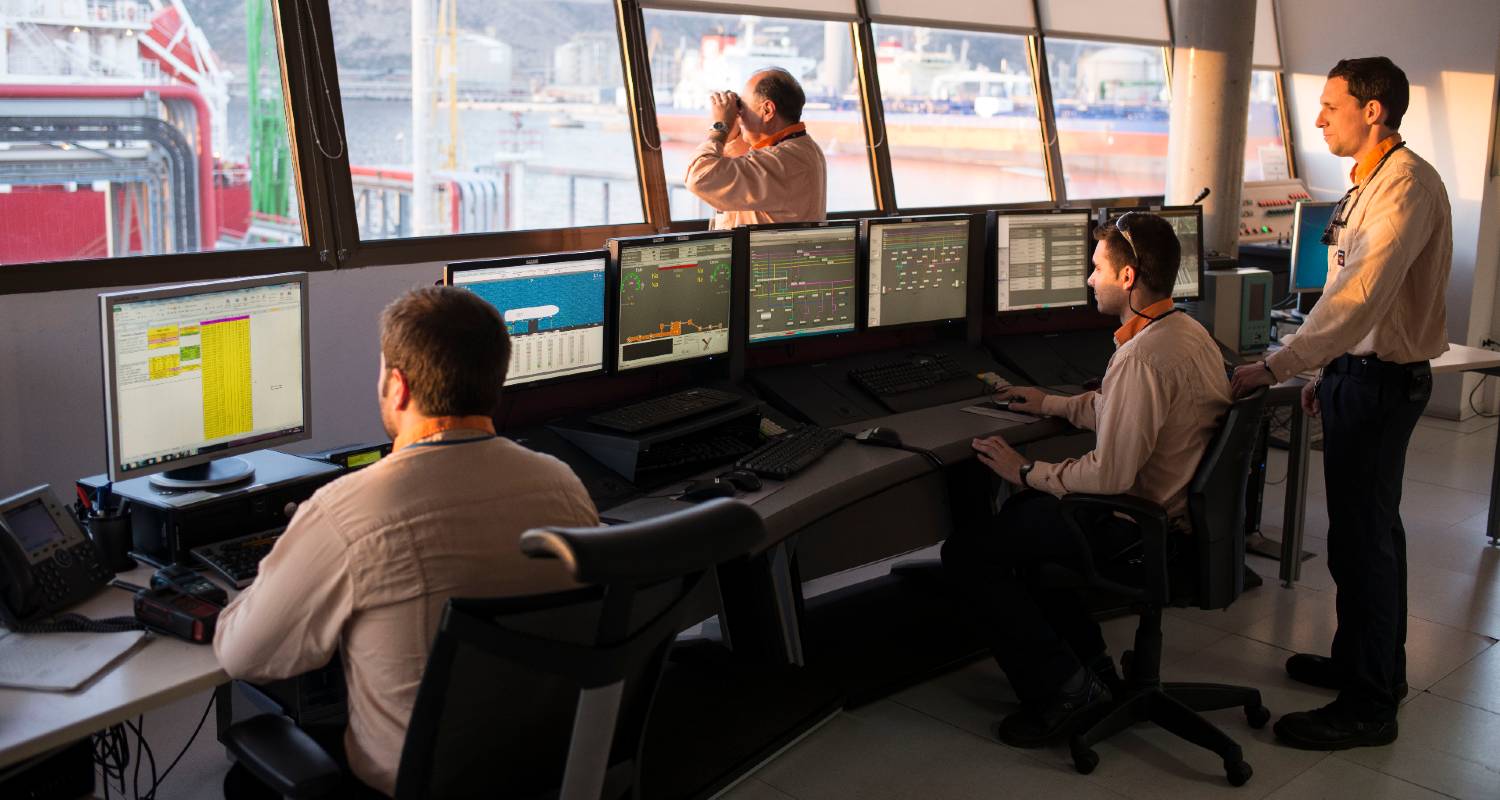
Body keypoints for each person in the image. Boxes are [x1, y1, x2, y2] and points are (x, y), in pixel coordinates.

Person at [214, 286, 600, 796]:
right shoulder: (563, 484)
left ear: (398, 386)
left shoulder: (348, 510)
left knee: (248, 780)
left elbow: (244, 655)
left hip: (415, 785)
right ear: (496, 380)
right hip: (545, 773)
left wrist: (283, 562)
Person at [943, 212, 1231, 747]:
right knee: (1021, 525)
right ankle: (1088, 667)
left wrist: (1027, 471)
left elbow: (1110, 472)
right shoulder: (1186, 333)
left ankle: (1064, 691)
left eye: (1097, 268)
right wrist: (1051, 403)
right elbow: (1127, 413)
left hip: (1138, 525)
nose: (1089, 279)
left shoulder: (1141, 357)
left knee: (970, 552)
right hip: (1175, 520)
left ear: (1128, 279)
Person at [1231, 57, 1451, 750]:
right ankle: (1369, 666)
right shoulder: (1367, 184)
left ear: (1374, 109)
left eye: (1331, 105)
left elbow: (1360, 298)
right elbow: (1343, 295)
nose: (1320, 118)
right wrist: (1323, 373)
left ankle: (1369, 706)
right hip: (1359, 378)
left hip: (1383, 385)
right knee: (1369, 538)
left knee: (1364, 545)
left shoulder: (1405, 188)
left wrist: (1276, 367)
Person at [684, 67, 827, 230]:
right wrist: (731, 135)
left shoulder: (782, 161)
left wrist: (720, 126)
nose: (739, 114)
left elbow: (699, 177)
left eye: (742, 106)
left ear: (767, 110)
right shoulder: (802, 148)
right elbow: (745, 165)